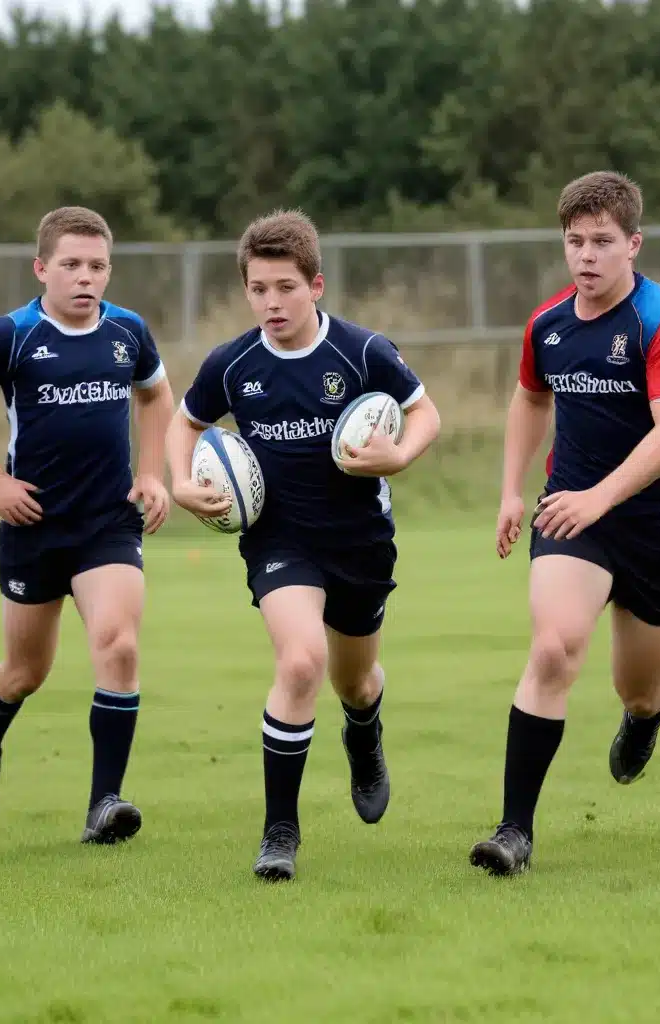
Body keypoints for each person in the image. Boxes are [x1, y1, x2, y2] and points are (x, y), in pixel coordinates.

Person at [166, 209, 441, 882]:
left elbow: (425, 412)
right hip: (279, 541)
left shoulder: (361, 352)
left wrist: (398, 454)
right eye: (258, 288)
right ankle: (279, 832)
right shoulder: (232, 365)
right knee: (300, 663)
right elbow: (184, 422)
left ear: (315, 285)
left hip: (360, 543)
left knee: (354, 679)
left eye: (285, 287)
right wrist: (178, 481)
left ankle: (364, 729)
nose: (270, 302)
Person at [468, 171, 660, 877]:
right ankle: (513, 831)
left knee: (639, 683)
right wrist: (513, 489)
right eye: (575, 241)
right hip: (573, 512)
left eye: (603, 241)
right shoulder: (549, 325)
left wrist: (603, 496)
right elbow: (529, 399)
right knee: (553, 651)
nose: (587, 256)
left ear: (633, 243)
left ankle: (647, 714)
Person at [0, 206, 173, 844]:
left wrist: (151, 473)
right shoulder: (10, 335)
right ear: (42, 269)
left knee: (118, 645)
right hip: (35, 526)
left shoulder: (128, 331)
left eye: (96, 265)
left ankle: (105, 804)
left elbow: (155, 396)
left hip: (108, 523)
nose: (84, 277)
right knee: (25, 672)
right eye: (70, 264)